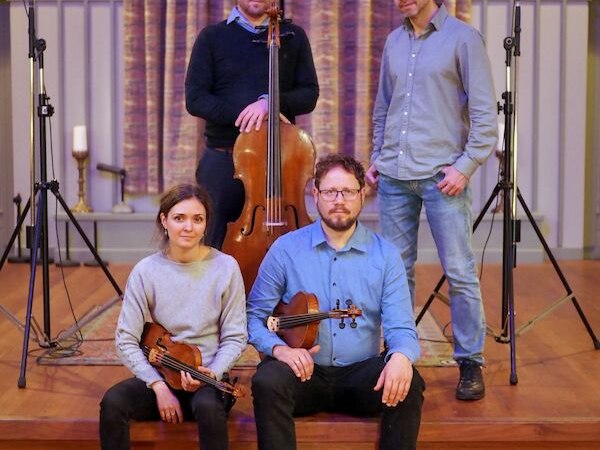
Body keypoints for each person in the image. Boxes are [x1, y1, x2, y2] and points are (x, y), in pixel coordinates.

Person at [366, 0, 498, 401]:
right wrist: (377, 155)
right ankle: (400, 354)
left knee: (459, 272)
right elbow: (384, 107)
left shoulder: (464, 39)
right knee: (396, 271)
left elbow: (484, 115)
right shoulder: (392, 41)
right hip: (394, 176)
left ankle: (470, 360)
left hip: (443, 178)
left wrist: (467, 165)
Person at [247, 154, 425, 450]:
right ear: (315, 195)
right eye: (330, 191)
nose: (339, 200)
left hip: (360, 374)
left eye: (349, 191)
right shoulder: (286, 249)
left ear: (362, 195)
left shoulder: (385, 255)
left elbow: (402, 328)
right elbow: (253, 317)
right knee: (267, 381)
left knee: (409, 382)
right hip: (304, 374)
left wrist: (402, 358)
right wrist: (280, 350)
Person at [99, 183, 247, 450]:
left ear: (205, 225)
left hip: (207, 376)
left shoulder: (226, 267)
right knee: (113, 402)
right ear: (164, 221)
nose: (188, 227)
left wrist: (212, 373)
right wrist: (158, 386)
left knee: (209, 409)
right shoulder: (146, 271)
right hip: (161, 371)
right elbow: (126, 340)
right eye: (179, 218)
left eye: (197, 219)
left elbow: (236, 336)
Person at [185, 0, 319, 249]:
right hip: (224, 160)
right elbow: (196, 100)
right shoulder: (212, 37)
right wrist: (247, 114)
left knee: (286, 243)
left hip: (280, 162)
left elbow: (309, 94)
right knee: (214, 242)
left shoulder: (293, 36)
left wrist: (271, 103)